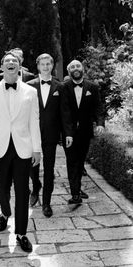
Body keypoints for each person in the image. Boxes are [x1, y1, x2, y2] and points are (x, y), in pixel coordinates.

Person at [0, 51, 41, 253]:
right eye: (6, 60)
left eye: (14, 61)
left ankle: (21, 233)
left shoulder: (30, 92)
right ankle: (5, 213)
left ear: (19, 66)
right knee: (2, 188)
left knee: (23, 191)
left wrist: (37, 149)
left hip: (23, 149)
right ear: (1, 66)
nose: (10, 62)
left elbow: (34, 121)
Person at [27, 53, 73, 217]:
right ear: (38, 66)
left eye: (48, 64)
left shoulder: (60, 87)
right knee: (32, 166)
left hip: (51, 134)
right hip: (32, 134)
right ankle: (36, 185)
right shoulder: (29, 86)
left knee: (49, 168)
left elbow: (65, 112)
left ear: (52, 66)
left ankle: (46, 203)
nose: (46, 67)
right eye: (43, 64)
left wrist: (67, 133)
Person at [62, 59, 104, 204]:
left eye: (78, 66)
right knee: (72, 161)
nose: (76, 68)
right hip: (69, 133)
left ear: (82, 69)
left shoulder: (92, 87)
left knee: (80, 162)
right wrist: (67, 133)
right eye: (72, 66)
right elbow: (64, 111)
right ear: (69, 71)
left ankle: (77, 188)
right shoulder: (64, 87)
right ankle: (75, 195)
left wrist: (100, 123)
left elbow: (98, 107)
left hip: (85, 132)